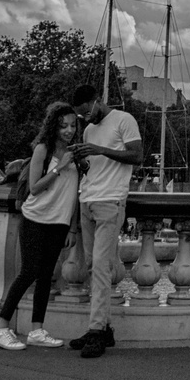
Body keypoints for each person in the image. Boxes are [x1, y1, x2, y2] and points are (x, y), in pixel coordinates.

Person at [0, 102, 80, 350]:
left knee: (46, 275)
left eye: (72, 125)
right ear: (54, 126)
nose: (69, 130)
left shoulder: (76, 154)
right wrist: (59, 168)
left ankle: (36, 330)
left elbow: (74, 194)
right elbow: (35, 187)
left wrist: (72, 227)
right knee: (28, 272)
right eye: (63, 126)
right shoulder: (44, 149)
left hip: (59, 223)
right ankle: (1, 327)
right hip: (35, 218)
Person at [67, 83, 142, 359]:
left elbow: (137, 156)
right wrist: (83, 161)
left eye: (87, 112)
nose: (85, 118)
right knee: (91, 266)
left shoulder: (124, 120)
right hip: (88, 198)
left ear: (97, 101)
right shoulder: (88, 130)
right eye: (81, 115)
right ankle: (104, 327)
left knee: (100, 266)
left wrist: (100, 149)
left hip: (111, 200)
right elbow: (93, 168)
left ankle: (96, 331)